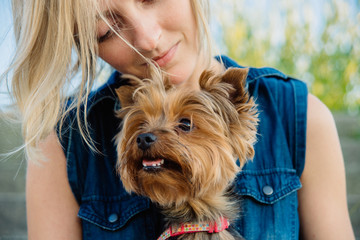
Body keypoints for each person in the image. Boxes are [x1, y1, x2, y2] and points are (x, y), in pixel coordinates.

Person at [5, 0, 355, 239]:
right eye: (106, 31)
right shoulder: (63, 146)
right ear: (82, 44)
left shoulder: (299, 115)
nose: (148, 39)